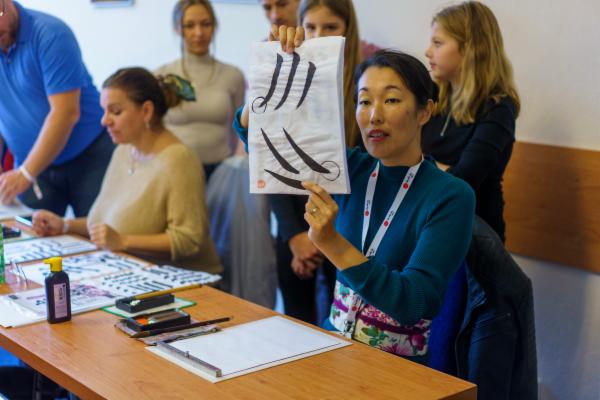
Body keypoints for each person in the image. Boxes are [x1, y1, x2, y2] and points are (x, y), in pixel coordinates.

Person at [235, 47, 475, 363]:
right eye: (364, 101)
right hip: (330, 349)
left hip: (399, 369)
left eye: (391, 100)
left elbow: (413, 303)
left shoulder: (451, 195)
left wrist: (331, 242)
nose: (374, 115)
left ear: (424, 111)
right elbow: (259, 140)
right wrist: (274, 71)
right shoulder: (347, 168)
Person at [241, 0, 364, 324]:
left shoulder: (364, 82)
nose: (318, 36)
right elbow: (271, 159)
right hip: (296, 222)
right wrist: (295, 235)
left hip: (348, 229)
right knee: (296, 321)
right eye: (310, 27)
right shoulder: (290, 75)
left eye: (330, 27)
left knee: (344, 322)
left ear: (348, 30)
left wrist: (326, 237)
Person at [32, 67, 222, 274]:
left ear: (146, 111)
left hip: (183, 281)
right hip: (130, 270)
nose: (104, 120)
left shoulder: (179, 160)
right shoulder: (124, 151)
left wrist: (124, 241)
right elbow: (108, 225)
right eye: (104, 111)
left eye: (115, 111)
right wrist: (65, 225)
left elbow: (188, 240)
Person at [0, 0, 114, 215]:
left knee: (97, 230)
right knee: (29, 232)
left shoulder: (50, 35)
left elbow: (65, 113)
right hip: (31, 161)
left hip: (90, 154)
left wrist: (26, 173)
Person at [422, 1, 520, 243]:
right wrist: (440, 167)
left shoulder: (499, 108)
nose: (427, 52)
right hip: (428, 224)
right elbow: (399, 159)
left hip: (475, 235)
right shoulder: (432, 95)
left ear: (469, 48)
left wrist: (422, 164)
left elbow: (461, 182)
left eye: (437, 43)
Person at [155, 0, 245, 182]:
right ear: (177, 29)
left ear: (214, 26)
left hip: (222, 173)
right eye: (189, 25)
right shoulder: (161, 76)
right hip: (173, 171)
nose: (198, 33)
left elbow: (241, 129)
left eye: (205, 24)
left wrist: (237, 163)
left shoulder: (233, 75)